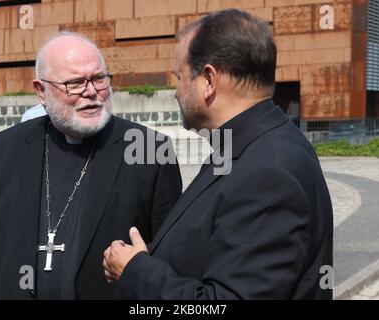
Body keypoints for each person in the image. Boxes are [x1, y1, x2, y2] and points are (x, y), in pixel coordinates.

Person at [103, 9, 333, 300]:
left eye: (180, 76)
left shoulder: (267, 173)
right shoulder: (248, 146)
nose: (176, 91)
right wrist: (156, 256)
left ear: (209, 80)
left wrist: (136, 272)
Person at [0, 32, 182, 299]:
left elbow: (171, 261)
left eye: (99, 79)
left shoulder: (151, 150)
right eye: (75, 83)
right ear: (41, 91)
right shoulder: (3, 149)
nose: (91, 92)